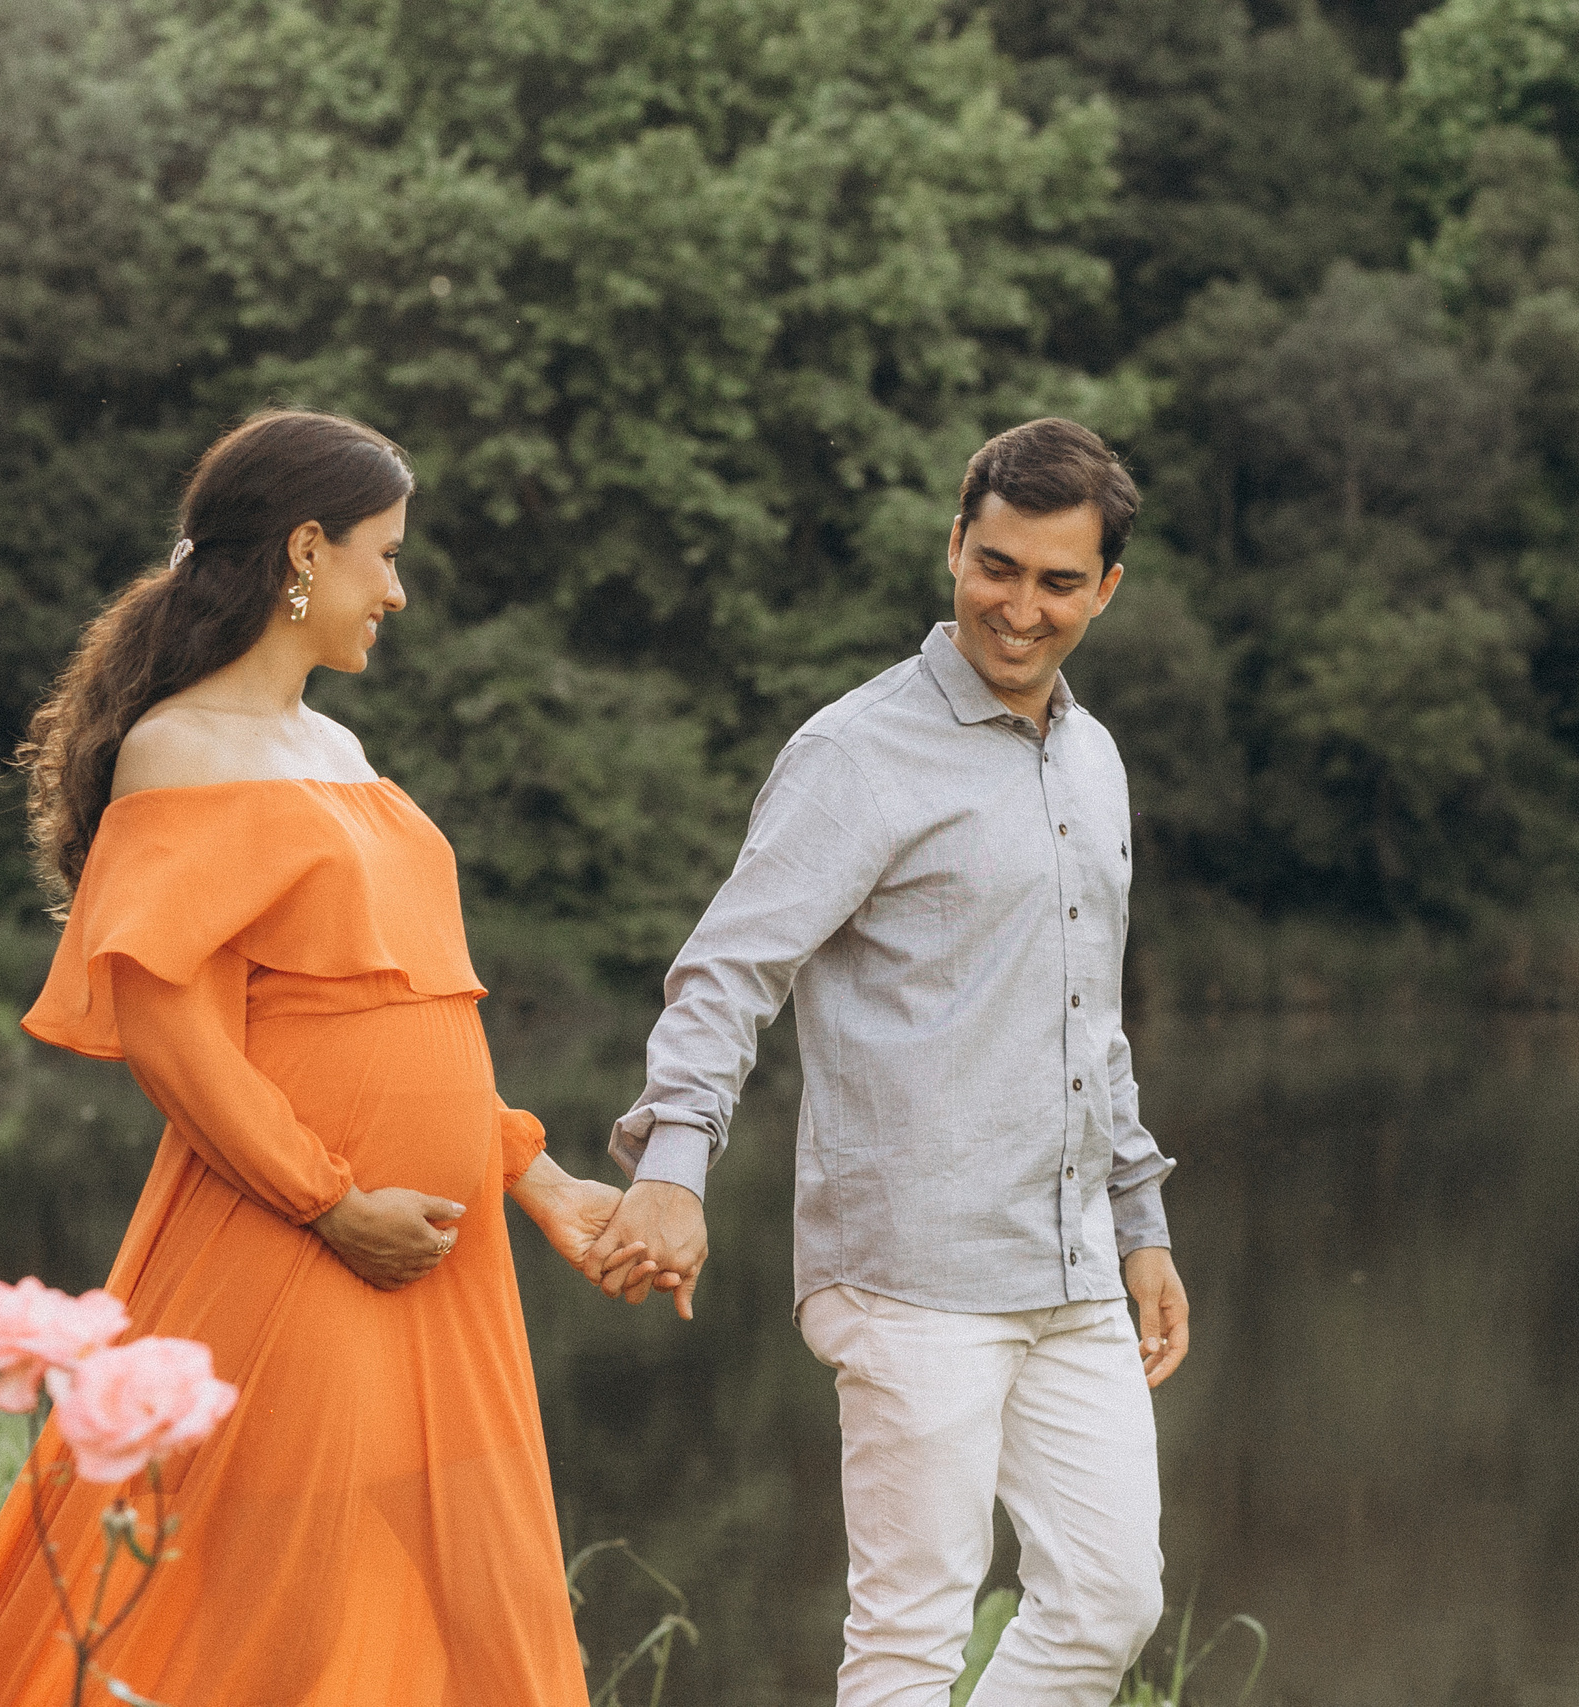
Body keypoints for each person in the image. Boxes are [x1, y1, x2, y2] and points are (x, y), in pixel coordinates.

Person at [0, 409, 636, 1707]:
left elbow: (408, 1013)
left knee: (466, 1592)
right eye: (385, 555)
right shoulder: (177, 749)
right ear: (305, 550)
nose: (396, 593)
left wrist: (542, 1181)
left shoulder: (339, 751)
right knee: (277, 1606)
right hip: (302, 1237)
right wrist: (330, 1203)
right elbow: (173, 1033)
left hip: (435, 1252)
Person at [585, 418, 1190, 1707]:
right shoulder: (855, 753)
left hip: (1075, 1257)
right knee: (911, 1636)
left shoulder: (1094, 757)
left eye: (1058, 581)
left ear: (1106, 589)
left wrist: (1140, 1221)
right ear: (954, 546)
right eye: (996, 566)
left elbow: (1092, 1017)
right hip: (911, 1264)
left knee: (1109, 1603)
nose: (1018, 608)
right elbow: (728, 970)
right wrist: (673, 1165)